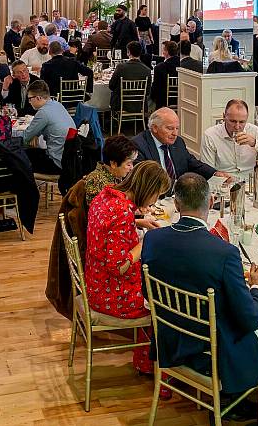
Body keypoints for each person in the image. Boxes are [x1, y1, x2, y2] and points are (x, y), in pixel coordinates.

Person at [141, 172, 258, 422]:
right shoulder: (225, 253)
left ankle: (232, 393)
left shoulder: (152, 238)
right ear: (209, 204)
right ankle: (233, 397)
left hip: (170, 338)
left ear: (176, 204)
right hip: (212, 350)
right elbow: (249, 319)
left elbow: (147, 291)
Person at [86, 160, 170, 373]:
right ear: (148, 189)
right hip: (111, 294)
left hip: (94, 281)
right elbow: (118, 267)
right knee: (164, 302)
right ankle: (156, 367)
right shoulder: (122, 213)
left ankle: (145, 362)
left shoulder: (106, 196)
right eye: (157, 195)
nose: (155, 201)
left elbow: (109, 230)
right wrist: (146, 242)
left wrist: (137, 223)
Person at [133, 108, 226, 183]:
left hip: (178, 195)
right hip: (155, 196)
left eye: (177, 128)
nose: (175, 133)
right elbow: (145, 178)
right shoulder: (138, 145)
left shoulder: (178, 142)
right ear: (155, 128)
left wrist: (214, 173)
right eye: (170, 128)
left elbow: (192, 162)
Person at [201, 99, 258, 181]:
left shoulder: (254, 131)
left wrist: (255, 143)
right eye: (233, 121)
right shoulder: (210, 135)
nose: (237, 127)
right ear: (224, 117)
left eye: (242, 122)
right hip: (223, 184)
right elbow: (208, 172)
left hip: (250, 183)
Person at [21, 80, 75, 175]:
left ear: (38, 98)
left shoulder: (43, 112)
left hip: (56, 163)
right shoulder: (57, 104)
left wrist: (9, 131)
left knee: (19, 157)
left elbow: (25, 137)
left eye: (30, 99)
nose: (29, 102)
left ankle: (25, 189)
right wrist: (36, 134)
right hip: (68, 159)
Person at [84, 134, 139, 206]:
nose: (132, 167)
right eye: (128, 164)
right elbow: (99, 213)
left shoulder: (116, 176)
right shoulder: (96, 181)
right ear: (113, 164)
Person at [108, 41, 151, 112]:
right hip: (139, 105)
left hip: (121, 105)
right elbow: (148, 92)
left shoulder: (120, 67)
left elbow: (111, 86)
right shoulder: (147, 70)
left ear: (128, 52)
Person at [151, 41, 180, 109]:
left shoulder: (160, 67)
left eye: (163, 50)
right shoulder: (182, 65)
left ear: (166, 52)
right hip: (180, 98)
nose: (162, 52)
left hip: (163, 101)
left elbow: (156, 88)